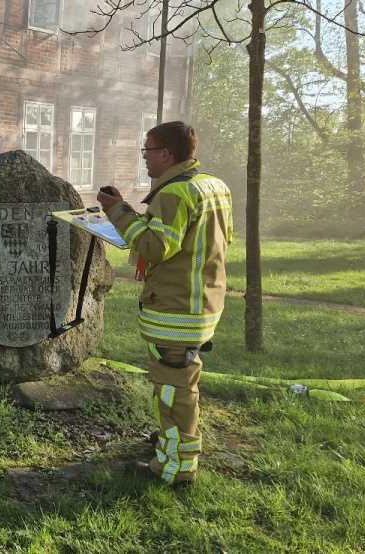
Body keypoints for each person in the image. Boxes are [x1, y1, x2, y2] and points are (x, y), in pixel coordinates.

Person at [97, 121, 234, 485]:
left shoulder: (174, 194)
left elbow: (155, 247)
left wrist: (118, 212)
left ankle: (175, 467)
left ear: (167, 154)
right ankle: (172, 442)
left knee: (174, 392)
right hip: (204, 301)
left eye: (148, 150)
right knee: (183, 384)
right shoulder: (213, 186)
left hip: (176, 310)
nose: (144, 158)